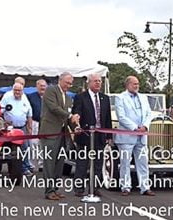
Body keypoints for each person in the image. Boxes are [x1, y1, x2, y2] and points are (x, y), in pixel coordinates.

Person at [40, 72, 80, 200]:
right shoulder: (51, 91)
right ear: (60, 80)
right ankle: (49, 190)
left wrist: (75, 126)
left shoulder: (68, 98)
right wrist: (70, 116)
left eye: (70, 83)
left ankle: (55, 188)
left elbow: (68, 116)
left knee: (59, 163)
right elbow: (54, 108)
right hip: (50, 132)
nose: (68, 85)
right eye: (67, 82)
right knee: (49, 162)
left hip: (63, 134)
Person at [72, 73, 112, 197]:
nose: (98, 83)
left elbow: (107, 118)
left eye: (100, 81)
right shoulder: (81, 97)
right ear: (89, 83)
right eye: (95, 81)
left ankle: (94, 187)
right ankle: (79, 188)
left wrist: (109, 136)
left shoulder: (105, 98)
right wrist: (77, 126)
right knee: (82, 164)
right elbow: (76, 113)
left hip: (100, 136)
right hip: (85, 136)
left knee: (98, 164)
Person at [114, 76, 155, 196]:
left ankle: (145, 187)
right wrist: (134, 128)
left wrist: (145, 126)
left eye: (137, 84)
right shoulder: (120, 98)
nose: (136, 86)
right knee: (125, 162)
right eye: (134, 84)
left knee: (143, 162)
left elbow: (148, 114)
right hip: (127, 136)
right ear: (127, 85)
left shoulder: (143, 97)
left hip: (141, 136)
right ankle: (125, 186)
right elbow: (121, 117)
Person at [0, 82, 33, 176]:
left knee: (25, 147)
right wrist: (4, 121)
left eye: (19, 90)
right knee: (12, 149)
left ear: (22, 91)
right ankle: (19, 168)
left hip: (22, 127)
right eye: (15, 90)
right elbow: (0, 110)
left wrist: (29, 127)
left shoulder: (25, 98)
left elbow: (29, 113)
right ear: (12, 90)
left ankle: (25, 167)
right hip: (10, 128)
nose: (17, 92)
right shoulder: (7, 97)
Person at [27, 79, 48, 171]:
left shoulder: (49, 97)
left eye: (44, 86)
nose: (42, 87)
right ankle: (31, 165)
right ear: (37, 86)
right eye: (41, 85)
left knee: (43, 144)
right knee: (33, 144)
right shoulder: (31, 96)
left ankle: (42, 165)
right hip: (35, 122)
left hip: (46, 123)